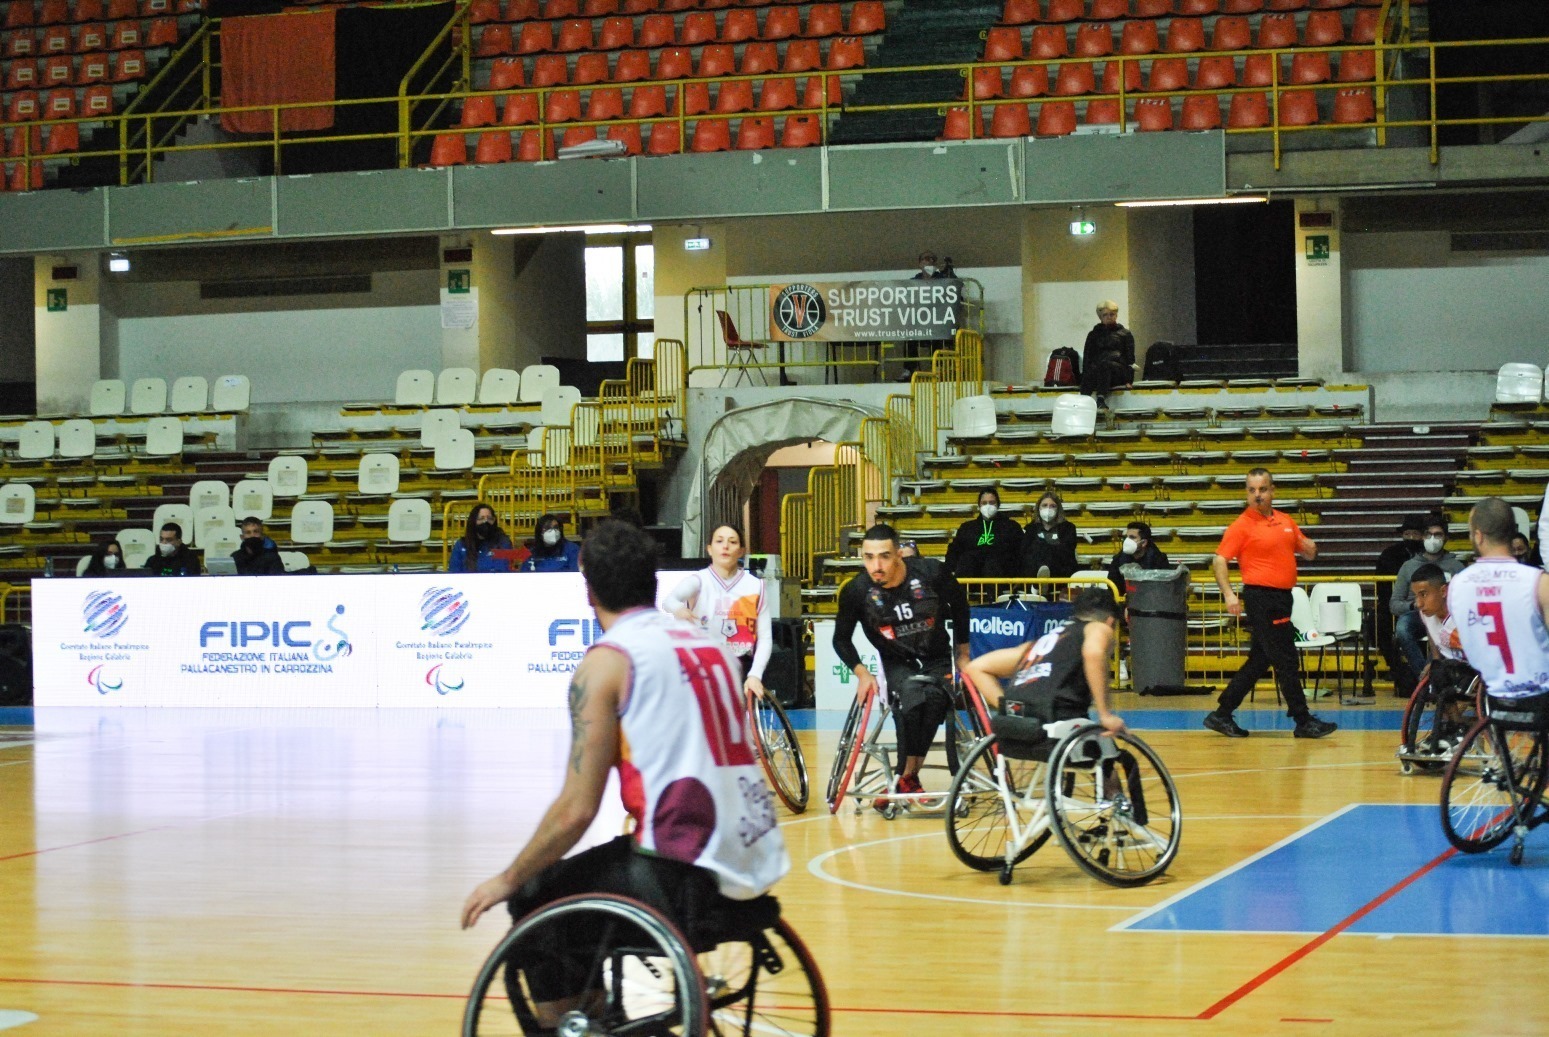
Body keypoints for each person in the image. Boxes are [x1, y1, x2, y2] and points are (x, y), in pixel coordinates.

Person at [460, 521, 789, 1029]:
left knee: (534, 896)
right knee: (604, 867)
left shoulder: (608, 664)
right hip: (754, 855)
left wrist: (507, 878)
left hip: (683, 874)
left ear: (587, 585)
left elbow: (577, 809)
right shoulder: (713, 649)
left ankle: (569, 1024)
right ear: (653, 581)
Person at [833, 523, 970, 805]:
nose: (876, 565)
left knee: (934, 699)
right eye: (869, 557)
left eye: (883, 556)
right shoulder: (856, 591)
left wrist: (963, 652)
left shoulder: (931, 573)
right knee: (910, 698)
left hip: (936, 656)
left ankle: (904, 777)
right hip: (896, 660)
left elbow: (960, 606)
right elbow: (841, 640)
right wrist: (861, 672)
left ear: (898, 555)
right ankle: (906, 777)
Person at [1202, 468, 1337, 739]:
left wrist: (1311, 548)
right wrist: (1229, 594)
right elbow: (1219, 560)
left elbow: (1305, 549)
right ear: (1246, 493)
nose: (1257, 495)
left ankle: (1221, 713)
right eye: (1252, 490)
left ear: (1272, 491)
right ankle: (1302, 719)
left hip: (1282, 597)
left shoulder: (1286, 521)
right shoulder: (1241, 526)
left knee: (1260, 660)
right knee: (1286, 658)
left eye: (1262, 489)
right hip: (1261, 597)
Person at [963, 588, 1126, 737]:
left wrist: (1009, 709)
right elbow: (1094, 653)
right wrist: (1105, 715)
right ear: (1111, 621)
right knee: (1107, 752)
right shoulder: (1098, 628)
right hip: (1055, 715)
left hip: (1019, 720)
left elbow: (976, 667)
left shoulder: (1042, 642)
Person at [1450, 497, 1549, 716]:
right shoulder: (1539, 582)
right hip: (1540, 698)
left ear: (1478, 535)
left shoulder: (1458, 585)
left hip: (1493, 698)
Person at [664, 524, 772, 699]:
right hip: (702, 663)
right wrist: (679, 609)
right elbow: (669, 600)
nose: (725, 546)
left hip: (739, 663)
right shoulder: (699, 580)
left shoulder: (756, 586)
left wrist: (755, 675)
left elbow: (765, 637)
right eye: (719, 541)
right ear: (709, 549)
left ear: (741, 550)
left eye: (732, 542)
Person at [1391, 514, 1465, 682]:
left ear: (1446, 537)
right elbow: (1394, 604)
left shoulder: (1457, 566)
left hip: (1447, 618)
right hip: (1418, 615)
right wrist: (1416, 605)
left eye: (1437, 535)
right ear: (1422, 537)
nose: (1433, 539)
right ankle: (1425, 678)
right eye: (1428, 534)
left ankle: (1437, 674)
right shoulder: (1408, 566)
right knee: (1402, 627)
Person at [1374, 514, 1427, 691]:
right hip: (1395, 605)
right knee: (1376, 623)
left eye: (1415, 534)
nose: (1411, 538)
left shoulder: (1430, 555)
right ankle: (1397, 669)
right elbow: (1382, 587)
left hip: (1426, 607)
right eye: (1408, 533)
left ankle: (1422, 672)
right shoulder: (1389, 554)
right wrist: (1395, 605)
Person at [944, 488, 1022, 579]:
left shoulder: (1011, 527)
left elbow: (1020, 552)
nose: (988, 506)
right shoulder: (967, 528)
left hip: (1001, 573)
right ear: (979, 505)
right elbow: (954, 550)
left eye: (992, 502)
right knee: (967, 560)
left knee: (993, 563)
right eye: (984, 503)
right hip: (971, 572)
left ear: (998, 505)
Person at [1078, 300, 1136, 400]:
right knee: (1093, 369)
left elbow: (1130, 358)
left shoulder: (1125, 334)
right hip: (1099, 372)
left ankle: (1100, 399)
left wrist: (1129, 381)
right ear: (1100, 317)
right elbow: (1088, 358)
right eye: (1105, 315)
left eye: (1112, 314)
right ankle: (1083, 401)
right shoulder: (1093, 335)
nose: (1109, 317)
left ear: (1116, 316)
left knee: (1105, 365)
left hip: (1117, 372)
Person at [1020, 491, 1079, 580]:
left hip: (1060, 572)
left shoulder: (1068, 528)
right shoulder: (1030, 528)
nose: (1048, 508)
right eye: (1044, 505)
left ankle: (1041, 583)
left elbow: (1067, 552)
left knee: (1043, 549)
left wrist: (1044, 547)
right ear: (1038, 508)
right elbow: (1025, 553)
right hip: (1033, 572)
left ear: (1058, 509)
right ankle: (1038, 585)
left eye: (1052, 506)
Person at [1105, 521, 1171, 597]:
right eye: (1126, 537)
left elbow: (1163, 589)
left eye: (1132, 537)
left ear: (1143, 543)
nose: (1127, 541)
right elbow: (1113, 587)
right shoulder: (1118, 559)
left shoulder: (1159, 559)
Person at [449, 502, 515, 573]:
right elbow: (454, 573)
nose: (486, 521)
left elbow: (503, 569)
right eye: (481, 518)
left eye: (490, 518)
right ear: (473, 521)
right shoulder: (461, 545)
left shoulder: (503, 542)